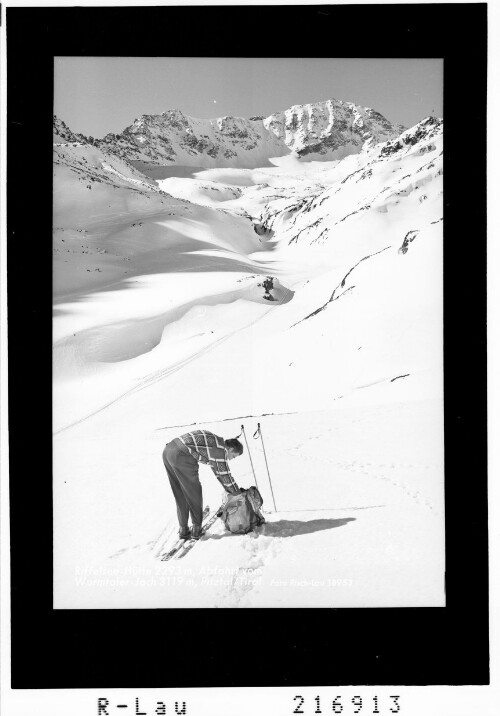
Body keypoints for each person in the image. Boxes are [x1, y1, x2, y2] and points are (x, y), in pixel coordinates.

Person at [162, 429, 244, 540]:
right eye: (233, 456)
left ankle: (183, 529)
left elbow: (218, 472)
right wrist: (238, 493)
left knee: (180, 492)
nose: (231, 459)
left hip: (168, 451)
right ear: (230, 449)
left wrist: (231, 490)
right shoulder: (220, 450)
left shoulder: (215, 442)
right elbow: (225, 475)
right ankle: (196, 529)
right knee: (193, 492)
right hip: (182, 455)